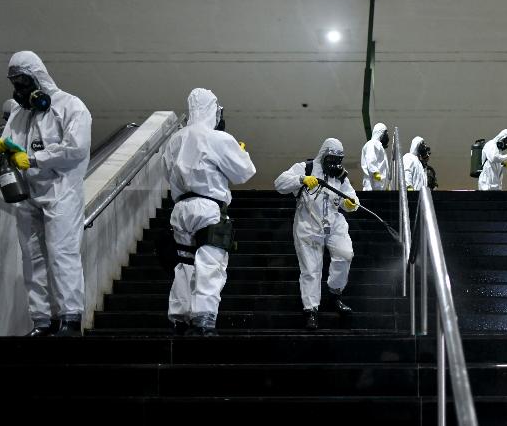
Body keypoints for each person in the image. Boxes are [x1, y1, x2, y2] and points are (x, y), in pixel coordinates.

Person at [0, 51, 92, 337]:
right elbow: (9, 142)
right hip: (27, 193)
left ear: (38, 78)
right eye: (15, 83)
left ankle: (70, 318)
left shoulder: (71, 106)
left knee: (62, 253)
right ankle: (42, 320)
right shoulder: (20, 114)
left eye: (23, 82)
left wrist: (35, 159)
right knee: (31, 257)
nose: (19, 89)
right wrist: (3, 151)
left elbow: (76, 148)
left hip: (61, 192)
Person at [163, 88, 256, 336]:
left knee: (184, 264)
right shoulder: (217, 139)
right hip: (207, 206)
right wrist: (241, 150)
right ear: (213, 109)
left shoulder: (175, 140)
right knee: (210, 263)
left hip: (180, 209)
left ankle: (180, 319)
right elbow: (245, 172)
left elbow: (167, 173)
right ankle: (204, 319)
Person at [274, 138, 359, 330]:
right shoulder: (306, 168)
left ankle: (334, 293)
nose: (335, 164)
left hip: (334, 224)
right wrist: (301, 180)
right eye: (331, 159)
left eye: (339, 160)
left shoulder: (340, 176)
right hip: (308, 224)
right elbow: (279, 183)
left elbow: (352, 198)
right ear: (323, 155)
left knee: (345, 254)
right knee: (311, 269)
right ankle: (311, 310)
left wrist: (350, 203)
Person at [360, 122, 389, 191]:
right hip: (372, 186)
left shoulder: (379, 146)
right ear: (381, 133)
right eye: (386, 134)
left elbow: (383, 168)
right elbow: (370, 159)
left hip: (380, 186)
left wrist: (386, 184)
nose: (387, 136)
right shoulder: (372, 143)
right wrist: (375, 172)